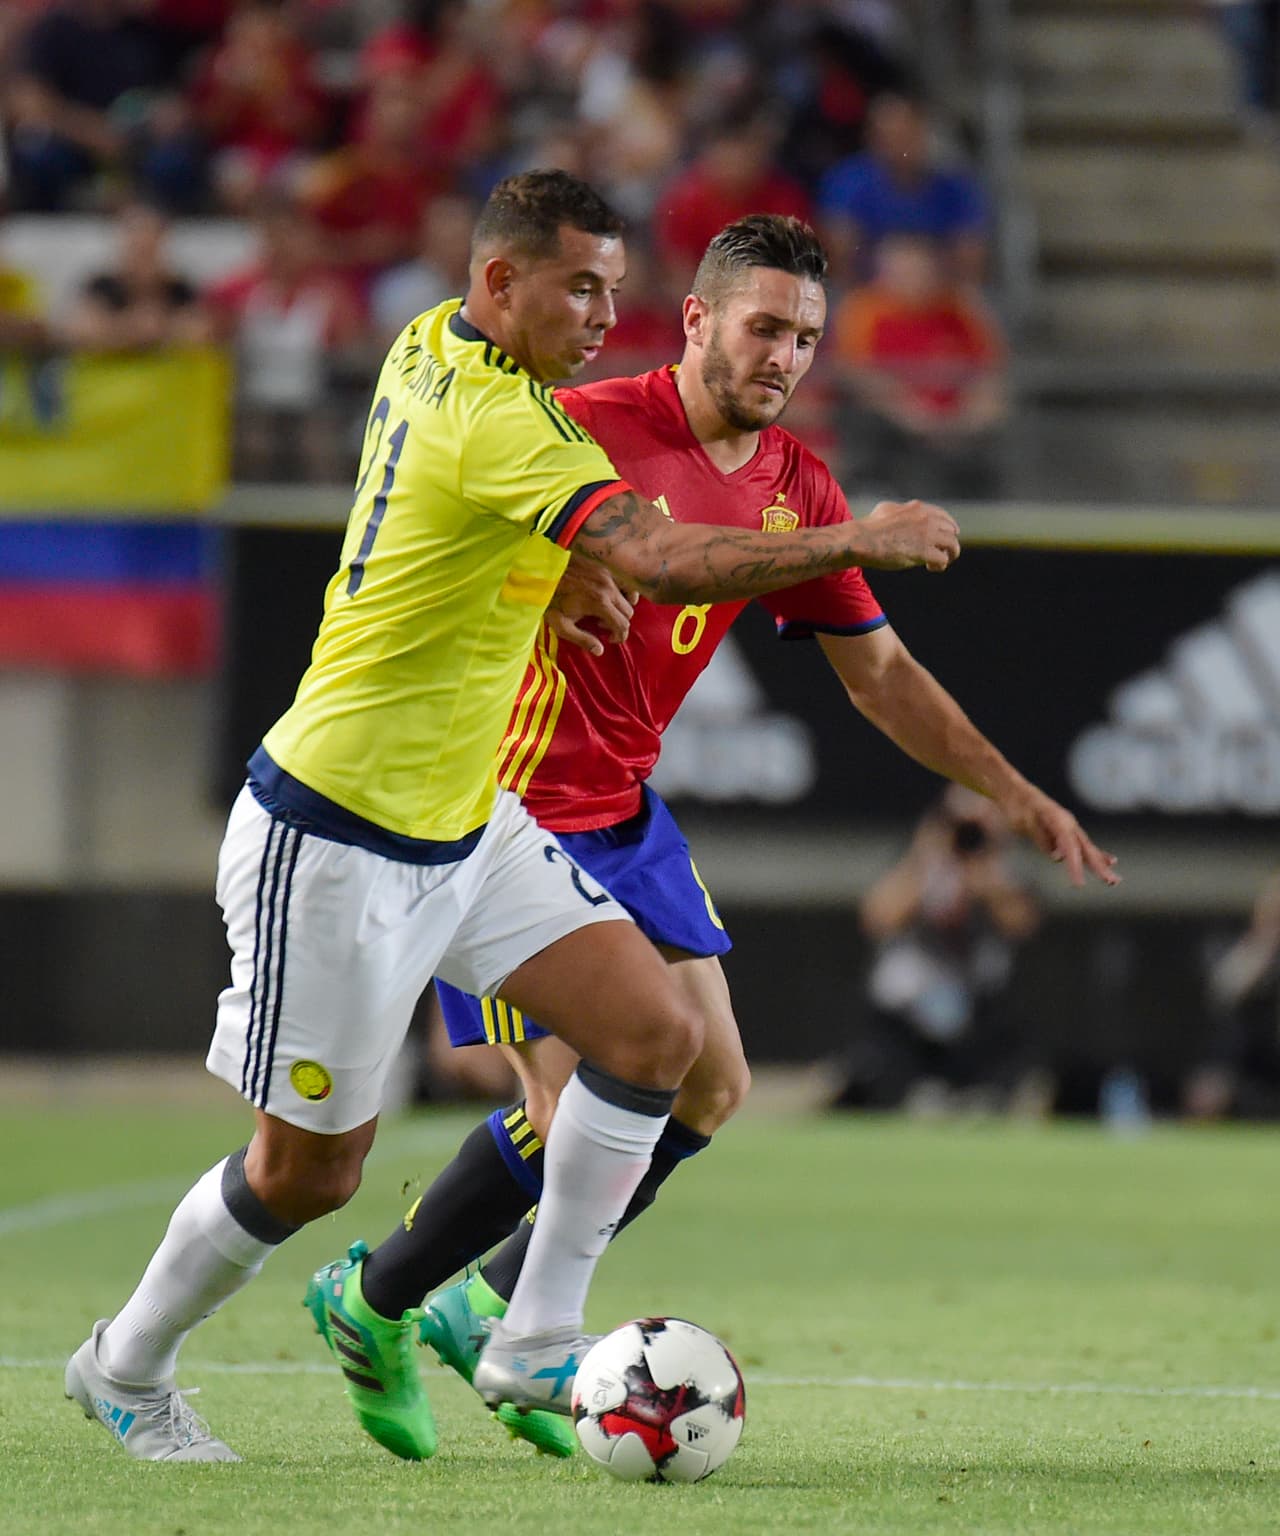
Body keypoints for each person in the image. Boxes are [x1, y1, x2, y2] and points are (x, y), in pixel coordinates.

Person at [64, 170, 964, 1464]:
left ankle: (535, 1336)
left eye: (615, 283)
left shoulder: (432, 343)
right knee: (308, 1174)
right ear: (500, 284)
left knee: (656, 1038)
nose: (611, 313)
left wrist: (546, 581)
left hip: (470, 819)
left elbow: (484, 528)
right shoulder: (506, 422)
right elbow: (661, 556)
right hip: (334, 830)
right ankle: (124, 1363)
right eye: (580, 287)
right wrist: (855, 542)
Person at [311, 213, 1120, 1462]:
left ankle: (473, 1298)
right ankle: (398, 1307)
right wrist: (551, 571)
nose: (784, 356)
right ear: (694, 319)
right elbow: (461, 530)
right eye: (762, 327)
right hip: (505, 803)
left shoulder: (794, 483)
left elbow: (882, 676)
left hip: (623, 809)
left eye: (804, 337)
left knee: (713, 1083)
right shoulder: (586, 423)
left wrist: (1010, 792)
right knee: (577, 1095)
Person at [827, 785, 1040, 1112]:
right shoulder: (916, 860)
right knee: (873, 1083)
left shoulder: (1003, 870)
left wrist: (986, 866)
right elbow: (878, 917)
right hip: (905, 1017)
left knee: (1004, 1073)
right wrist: (927, 856)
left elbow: (1021, 924)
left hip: (978, 1016)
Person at [833, 232, 1007, 498]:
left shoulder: (961, 308)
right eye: (904, 271)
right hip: (892, 427)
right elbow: (855, 372)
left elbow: (989, 370)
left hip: (959, 428)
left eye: (919, 269)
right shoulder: (863, 309)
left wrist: (970, 415)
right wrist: (913, 414)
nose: (913, 278)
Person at [816, 89, 988, 288]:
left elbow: (971, 261)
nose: (899, 146)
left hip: (938, 292)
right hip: (869, 294)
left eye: (906, 135)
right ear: (872, 138)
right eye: (889, 137)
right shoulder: (847, 183)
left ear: (922, 133)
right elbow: (839, 260)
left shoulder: (956, 186)